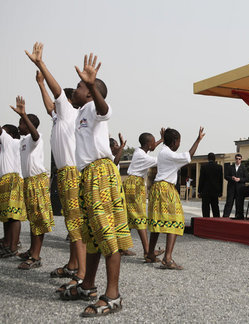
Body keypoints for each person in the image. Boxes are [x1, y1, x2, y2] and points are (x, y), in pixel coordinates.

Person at [60, 54, 133, 319]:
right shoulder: (81, 112)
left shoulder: (93, 108)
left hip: (100, 174)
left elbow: (105, 110)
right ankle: (88, 285)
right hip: (87, 176)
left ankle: (113, 296)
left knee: (106, 234)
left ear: (91, 93)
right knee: (91, 234)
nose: (76, 89)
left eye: (80, 87)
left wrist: (91, 86)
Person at [25, 42, 86, 291]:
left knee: (76, 224)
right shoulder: (60, 117)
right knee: (71, 223)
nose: (55, 105)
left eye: (60, 101)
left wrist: (41, 64)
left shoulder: (70, 112)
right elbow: (50, 104)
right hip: (64, 174)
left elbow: (57, 92)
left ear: (68, 102)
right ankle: (73, 264)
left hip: (72, 173)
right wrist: (39, 84)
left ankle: (81, 273)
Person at [146, 127, 205, 270]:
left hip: (158, 187)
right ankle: (167, 258)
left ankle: (150, 254)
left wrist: (163, 137)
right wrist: (198, 140)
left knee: (157, 221)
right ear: (174, 142)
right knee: (176, 221)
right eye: (179, 141)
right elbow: (188, 156)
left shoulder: (163, 152)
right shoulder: (168, 154)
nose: (179, 144)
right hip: (166, 188)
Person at [10, 97, 55, 270]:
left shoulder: (35, 138)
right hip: (28, 182)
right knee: (33, 219)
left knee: (38, 219)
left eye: (21, 123)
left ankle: (36, 257)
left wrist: (24, 115)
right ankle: (31, 250)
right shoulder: (22, 142)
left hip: (37, 181)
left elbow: (34, 133)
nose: (19, 126)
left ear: (29, 125)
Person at [123, 130, 165, 262]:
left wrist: (161, 140)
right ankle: (147, 252)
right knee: (140, 217)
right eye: (153, 143)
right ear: (148, 144)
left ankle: (122, 247)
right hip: (135, 185)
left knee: (130, 216)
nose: (154, 145)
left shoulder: (139, 151)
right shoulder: (144, 157)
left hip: (133, 183)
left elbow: (151, 148)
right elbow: (161, 160)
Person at [0, 124, 26, 258]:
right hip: (6, 180)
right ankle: (7, 243)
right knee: (7, 216)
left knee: (14, 216)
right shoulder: (7, 146)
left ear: (9, 134)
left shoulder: (10, 141)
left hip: (12, 180)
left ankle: (13, 247)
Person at [223, 154, 248, 218]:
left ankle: (238, 216)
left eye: (239, 159)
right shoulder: (230, 167)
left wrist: (239, 179)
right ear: (235, 159)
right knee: (229, 203)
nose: (238, 160)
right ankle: (225, 216)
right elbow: (226, 176)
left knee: (239, 203)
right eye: (236, 158)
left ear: (241, 160)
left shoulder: (244, 168)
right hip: (231, 188)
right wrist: (232, 178)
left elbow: (247, 178)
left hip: (240, 188)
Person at [198, 152, 223, 218]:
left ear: (208, 158)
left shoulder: (204, 167)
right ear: (215, 159)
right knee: (215, 208)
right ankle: (217, 222)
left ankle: (206, 222)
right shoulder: (219, 167)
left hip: (205, 191)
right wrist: (220, 192)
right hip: (215, 191)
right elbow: (220, 181)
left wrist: (199, 191)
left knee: (205, 208)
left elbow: (201, 180)